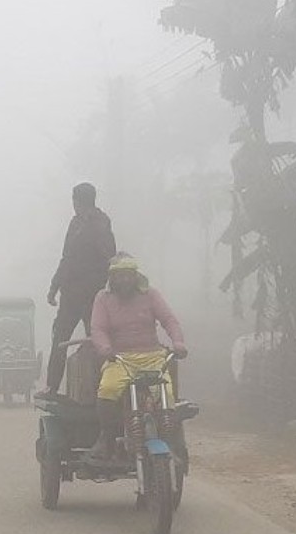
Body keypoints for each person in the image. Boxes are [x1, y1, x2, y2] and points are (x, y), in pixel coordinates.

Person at [86, 254, 187, 465]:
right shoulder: (103, 298)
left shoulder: (151, 295)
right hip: (120, 359)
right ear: (112, 278)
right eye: (119, 275)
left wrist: (178, 342)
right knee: (107, 389)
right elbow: (98, 329)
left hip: (154, 358)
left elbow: (169, 320)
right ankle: (107, 438)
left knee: (167, 395)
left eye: (128, 275)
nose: (124, 280)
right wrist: (105, 348)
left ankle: (170, 441)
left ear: (136, 276)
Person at [36, 182, 116, 399]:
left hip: (92, 295)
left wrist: (110, 288)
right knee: (60, 338)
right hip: (70, 294)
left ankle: (102, 388)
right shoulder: (75, 223)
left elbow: (109, 256)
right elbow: (67, 258)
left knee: (97, 340)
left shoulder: (100, 223)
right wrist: (54, 286)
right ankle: (52, 386)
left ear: (78, 201)